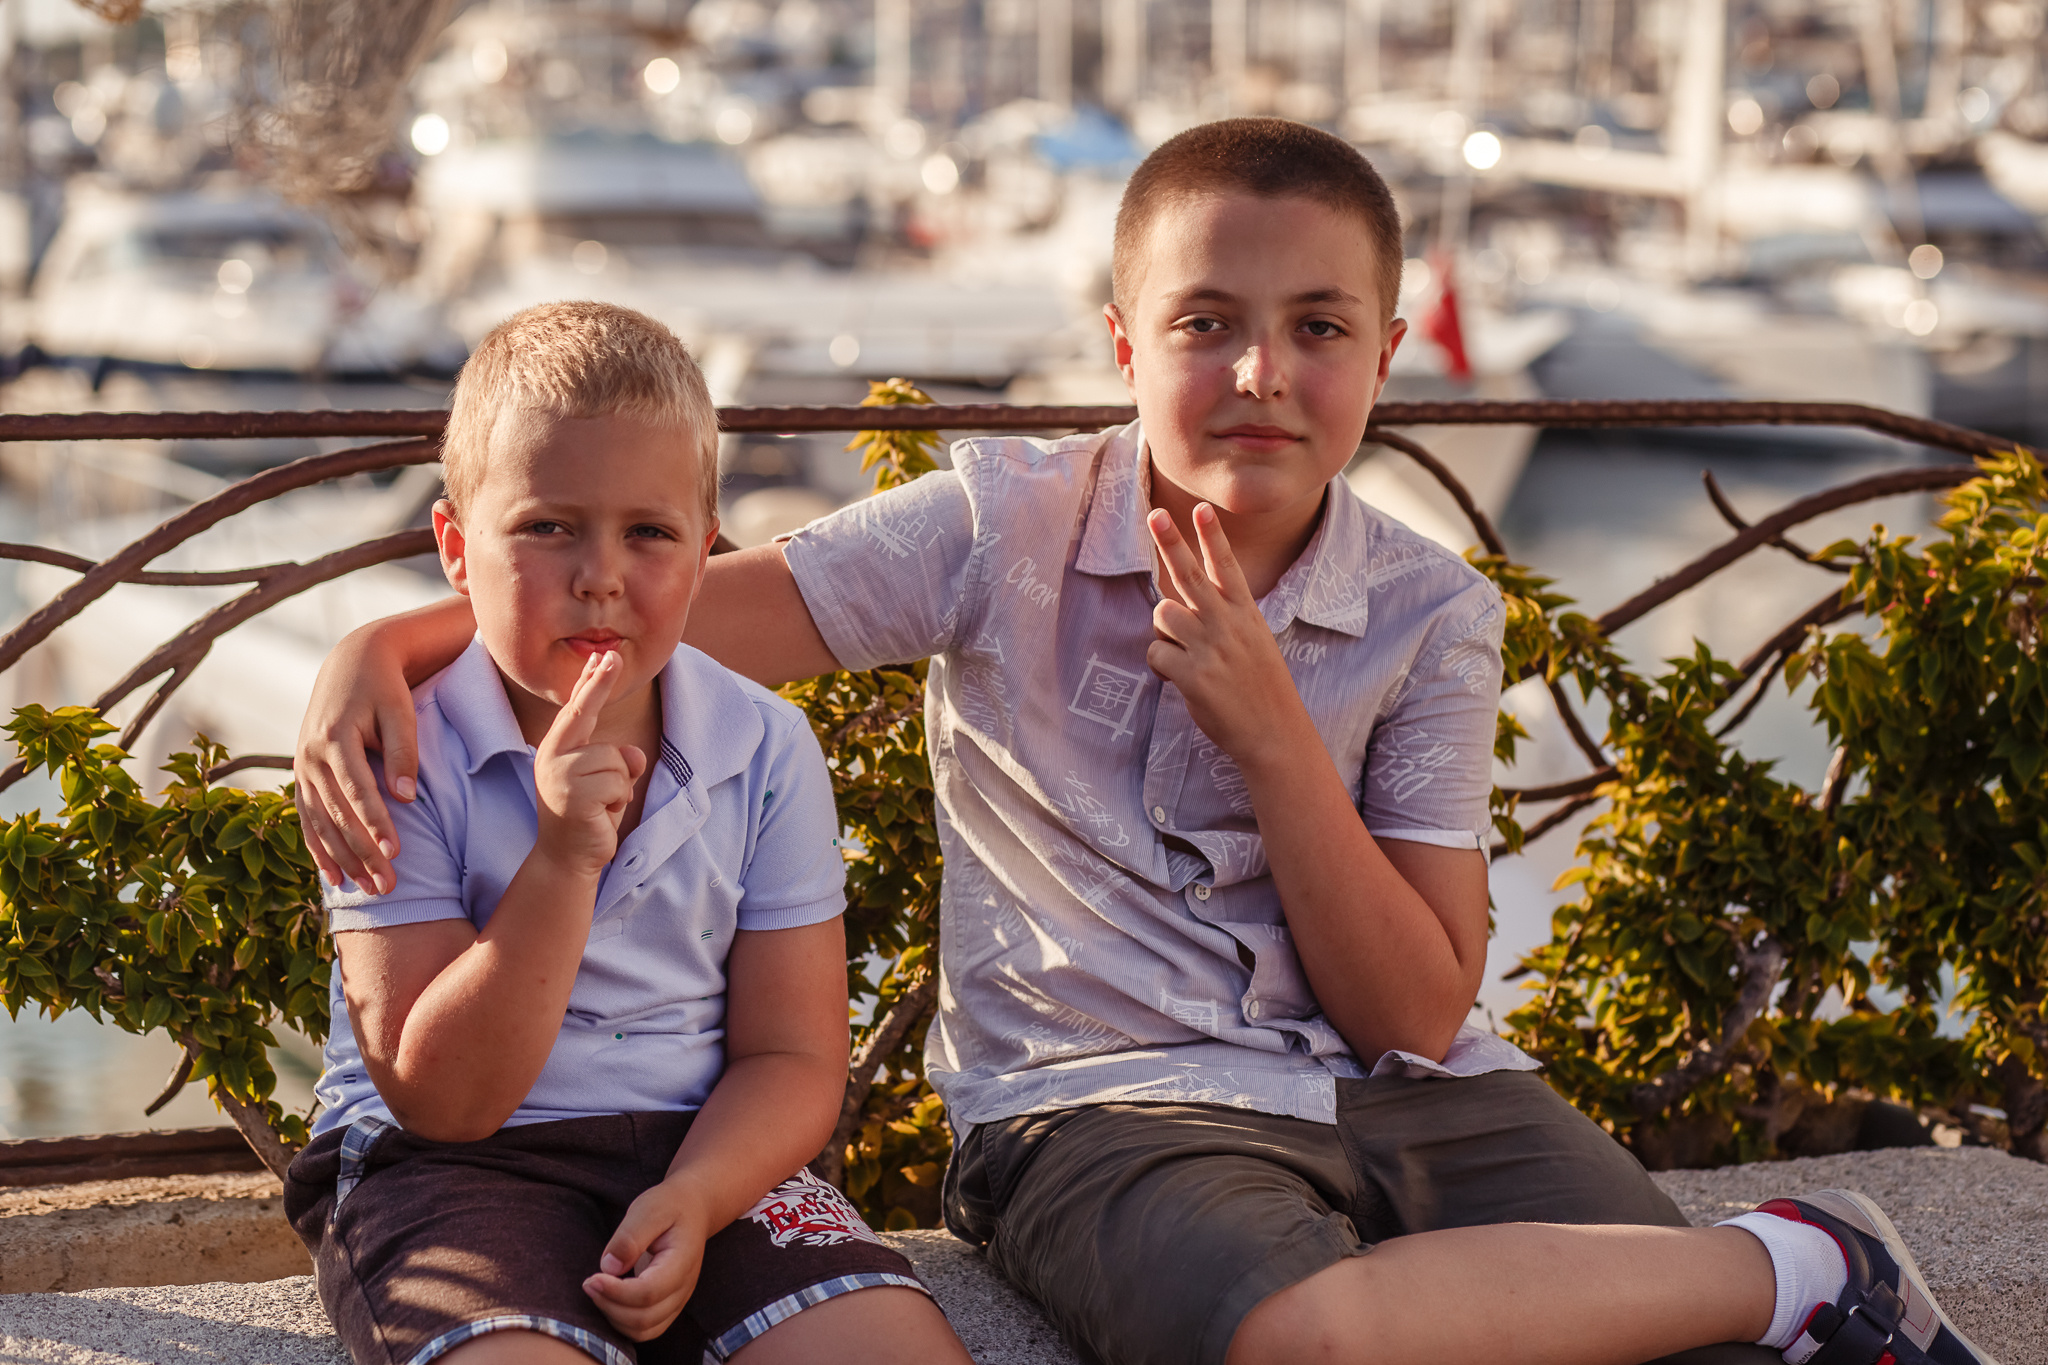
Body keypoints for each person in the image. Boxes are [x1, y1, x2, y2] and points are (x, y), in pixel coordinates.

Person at [294, 126, 1997, 1365]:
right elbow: (653, 605)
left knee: (1656, 1324)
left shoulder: (1428, 613)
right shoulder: (993, 529)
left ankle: (1791, 1275)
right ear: (1122, 346)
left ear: (1386, 357)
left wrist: (1272, 742)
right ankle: (1801, 1261)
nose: (1260, 371)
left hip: (1403, 1087)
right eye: (1202, 324)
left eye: (1319, 328)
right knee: (1299, 1342)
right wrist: (386, 639)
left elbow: (1414, 1009)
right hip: (1096, 1107)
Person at [284, 301, 972, 1365]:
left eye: (647, 533)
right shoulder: (405, 750)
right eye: (547, 527)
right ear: (455, 550)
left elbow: (790, 1057)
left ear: (703, 553)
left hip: (706, 1146)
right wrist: (563, 859)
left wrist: (697, 1196)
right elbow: (442, 1096)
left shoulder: (762, 746)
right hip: (448, 1166)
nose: (599, 574)